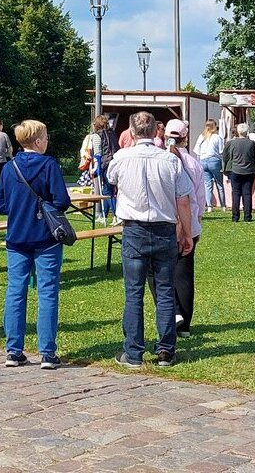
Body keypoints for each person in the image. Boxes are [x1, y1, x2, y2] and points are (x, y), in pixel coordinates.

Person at [106, 110, 193, 368]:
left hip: (134, 229)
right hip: (164, 227)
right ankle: (166, 350)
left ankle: (133, 352)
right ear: (156, 130)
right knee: (165, 290)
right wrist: (186, 232)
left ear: (131, 132)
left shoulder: (121, 158)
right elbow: (184, 200)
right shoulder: (170, 160)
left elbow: (111, 180)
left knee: (134, 292)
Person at [0, 119, 71, 370]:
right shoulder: (49, 165)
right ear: (38, 141)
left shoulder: (9, 168)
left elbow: (2, 206)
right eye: (46, 136)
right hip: (46, 237)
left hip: (17, 236)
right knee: (47, 292)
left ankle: (13, 349)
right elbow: (61, 200)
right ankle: (47, 353)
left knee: (15, 291)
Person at [163, 120, 205, 337]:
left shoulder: (162, 160)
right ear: (186, 138)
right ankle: (184, 325)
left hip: (167, 222)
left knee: (161, 273)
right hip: (189, 224)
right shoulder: (194, 164)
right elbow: (199, 197)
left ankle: (173, 313)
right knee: (184, 273)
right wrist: (196, 220)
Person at [222, 123, 255, 223]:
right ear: (247, 132)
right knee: (247, 194)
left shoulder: (231, 143)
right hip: (249, 171)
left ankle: (235, 217)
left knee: (236, 193)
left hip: (235, 170)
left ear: (238, 131)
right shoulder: (251, 143)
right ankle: (247, 217)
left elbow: (225, 156)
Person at [193, 119, 225, 210]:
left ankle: (209, 206)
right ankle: (223, 205)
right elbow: (221, 151)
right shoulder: (217, 137)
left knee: (207, 184)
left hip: (203, 160)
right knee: (219, 183)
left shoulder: (201, 136)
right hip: (214, 160)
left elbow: (196, 151)